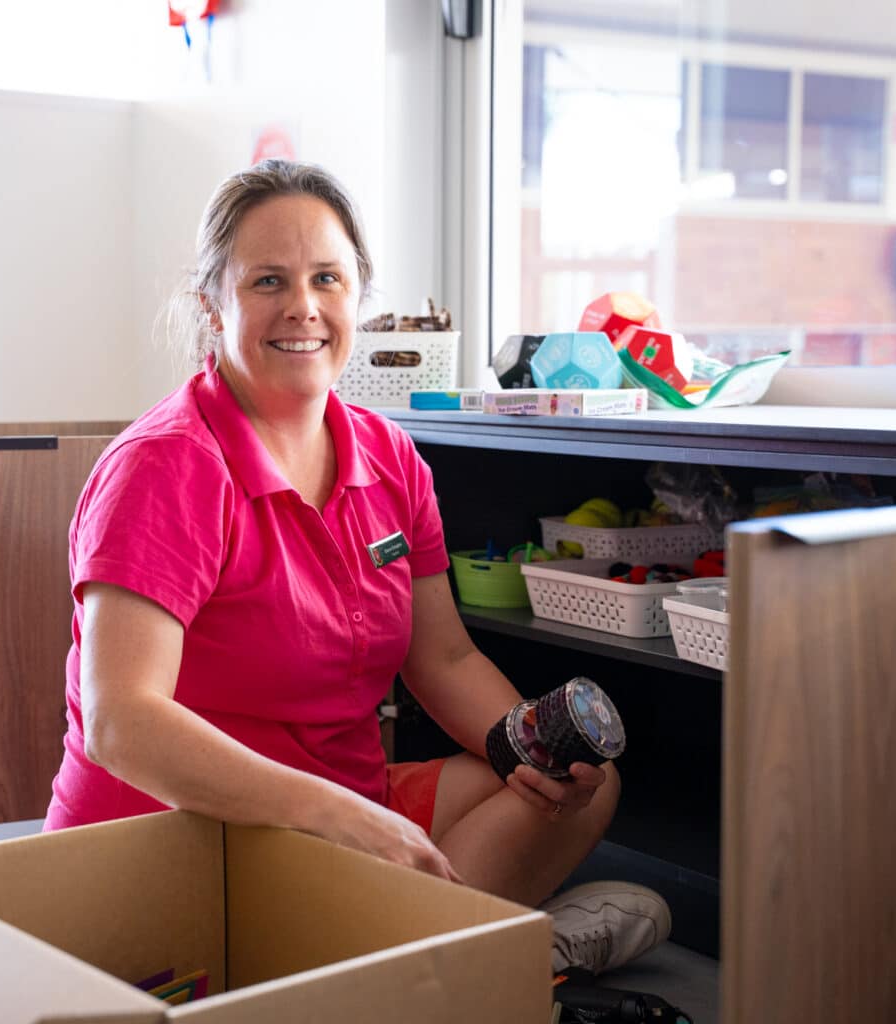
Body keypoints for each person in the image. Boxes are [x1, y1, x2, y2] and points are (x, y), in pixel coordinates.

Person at [43, 159, 669, 976]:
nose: (303, 306)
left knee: (578, 789)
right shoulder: (166, 467)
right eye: (268, 280)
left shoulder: (389, 455)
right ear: (213, 305)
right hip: (180, 832)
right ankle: (485, 961)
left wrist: (534, 749)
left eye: (327, 279)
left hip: (338, 805)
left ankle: (440, 961)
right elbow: (121, 721)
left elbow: (444, 660)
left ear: (357, 297)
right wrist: (336, 816)